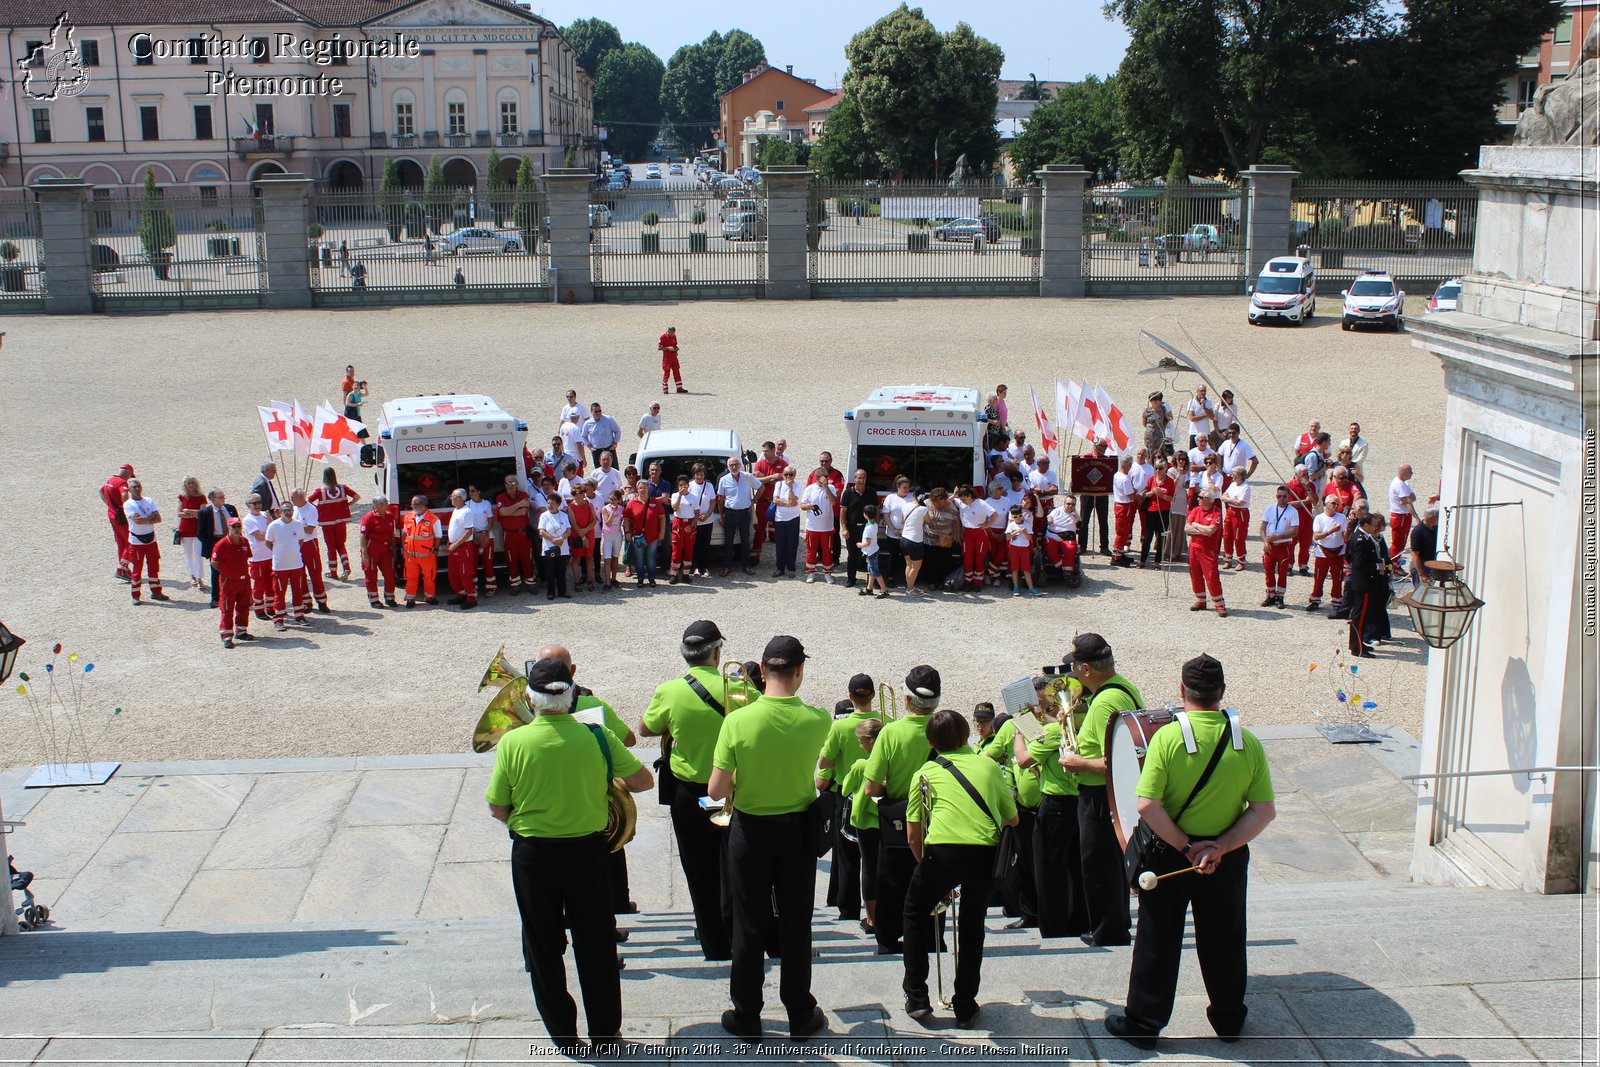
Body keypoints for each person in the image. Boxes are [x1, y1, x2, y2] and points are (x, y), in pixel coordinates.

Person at [1104, 655, 1275, 1051]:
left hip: (1170, 853)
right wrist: (1220, 847)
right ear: (1222, 694)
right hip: (1224, 857)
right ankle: (1229, 1018)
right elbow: (1264, 811)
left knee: (1158, 938)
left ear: (1183, 692)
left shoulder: (1166, 738)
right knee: (1226, 935)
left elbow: (1146, 804)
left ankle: (1145, 1024)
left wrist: (1185, 846)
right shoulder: (1246, 741)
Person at [487, 657, 652, 1055]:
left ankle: (563, 1035)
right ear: (573, 694)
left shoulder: (512, 741)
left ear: (530, 698)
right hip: (587, 852)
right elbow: (643, 781)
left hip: (533, 853)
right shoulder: (596, 736)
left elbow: (498, 807)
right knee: (595, 943)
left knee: (543, 944)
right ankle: (605, 1034)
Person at [708, 635, 831, 1040]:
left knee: (749, 923)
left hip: (750, 829)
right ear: (800, 671)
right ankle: (799, 1011)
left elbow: (715, 790)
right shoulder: (818, 719)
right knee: (797, 923)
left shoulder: (737, 720)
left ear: (760, 671)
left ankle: (747, 1014)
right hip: (797, 829)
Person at [641, 621, 750, 962]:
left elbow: (646, 728)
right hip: (730, 792)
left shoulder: (669, 690)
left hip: (690, 794)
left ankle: (713, 941)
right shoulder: (736, 687)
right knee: (734, 864)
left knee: (699, 868)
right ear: (718, 653)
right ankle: (738, 932)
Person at [902, 708, 1019, 1028]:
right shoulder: (988, 765)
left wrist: (924, 867)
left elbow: (914, 833)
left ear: (931, 741)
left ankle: (916, 994)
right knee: (972, 924)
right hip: (983, 854)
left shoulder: (924, 773)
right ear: (968, 734)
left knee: (915, 913)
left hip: (941, 853)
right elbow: (1012, 819)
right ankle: (965, 1002)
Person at [1059, 633, 1143, 947]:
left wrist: (1078, 762)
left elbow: (1118, 760)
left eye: (1074, 668)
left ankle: (1109, 930)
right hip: (1103, 793)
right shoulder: (1118, 688)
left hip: (1100, 795)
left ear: (1085, 669)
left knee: (1099, 865)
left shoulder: (1108, 699)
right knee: (1106, 864)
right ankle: (1113, 924)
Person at [863, 665, 943, 955]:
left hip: (897, 818)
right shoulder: (943, 728)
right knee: (933, 878)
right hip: (937, 818)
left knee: (892, 882)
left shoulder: (890, 732)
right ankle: (933, 937)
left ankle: (887, 939)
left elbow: (871, 788)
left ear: (907, 700)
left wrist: (892, 793)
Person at [1013, 688, 1087, 940]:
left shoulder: (1056, 731)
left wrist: (1018, 732)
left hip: (1056, 805)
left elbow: (1023, 759)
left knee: (1049, 870)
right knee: (1075, 867)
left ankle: (1054, 927)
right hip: (1077, 803)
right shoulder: (1075, 728)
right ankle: (1079, 921)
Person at [816, 673, 883, 922]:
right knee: (875, 856)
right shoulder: (885, 721)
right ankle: (877, 909)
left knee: (847, 857)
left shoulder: (841, 726)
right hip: (878, 791)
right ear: (873, 696)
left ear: (850, 696)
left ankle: (849, 908)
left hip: (848, 793)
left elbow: (824, 761)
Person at [838, 716, 884, 933]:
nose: (859, 745)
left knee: (868, 867)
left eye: (861, 741)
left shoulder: (861, 765)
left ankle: (872, 918)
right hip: (885, 821)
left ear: (870, 741)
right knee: (886, 868)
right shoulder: (889, 762)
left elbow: (845, 788)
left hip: (864, 820)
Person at [1345, 514, 1391, 657]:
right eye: (1372, 525)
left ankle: (1357, 643)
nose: (1374, 527)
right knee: (1360, 615)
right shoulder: (1361, 540)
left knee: (1360, 615)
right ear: (1365, 525)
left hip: (1364, 582)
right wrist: (1378, 566)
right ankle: (1357, 647)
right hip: (1364, 583)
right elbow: (1360, 564)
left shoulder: (1363, 537)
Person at [308, 467, 360, 581]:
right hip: (341, 521)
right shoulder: (342, 488)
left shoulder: (320, 490)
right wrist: (348, 504)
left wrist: (318, 509)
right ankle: (346, 567)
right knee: (341, 545)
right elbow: (357, 497)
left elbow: (308, 500)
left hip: (327, 522)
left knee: (330, 547)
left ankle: (333, 571)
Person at [209, 517, 254, 649]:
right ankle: (227, 636)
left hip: (244, 580)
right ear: (228, 528)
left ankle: (241, 631)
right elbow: (214, 563)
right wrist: (227, 572)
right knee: (227, 608)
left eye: (238, 526)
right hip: (228, 581)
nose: (236, 529)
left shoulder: (245, 542)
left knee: (244, 606)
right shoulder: (221, 544)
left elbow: (248, 557)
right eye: (233, 526)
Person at [122, 479, 168, 605]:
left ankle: (156, 591)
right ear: (129, 489)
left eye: (138, 486)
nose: (137, 489)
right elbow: (137, 521)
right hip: (136, 542)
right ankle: (135, 595)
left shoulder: (149, 500)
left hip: (151, 540)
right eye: (134, 487)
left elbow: (158, 518)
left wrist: (146, 519)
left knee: (154, 566)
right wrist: (150, 517)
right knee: (137, 569)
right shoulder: (128, 504)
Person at [265, 501, 308, 630]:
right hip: (280, 566)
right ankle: (278, 619)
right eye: (285, 511)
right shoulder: (273, 526)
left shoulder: (298, 525)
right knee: (279, 593)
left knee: (298, 591)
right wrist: (279, 553)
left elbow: (301, 541)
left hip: (296, 564)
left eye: (290, 510)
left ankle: (299, 616)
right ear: (280, 512)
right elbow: (268, 543)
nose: (288, 513)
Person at [1258, 484, 1300, 609]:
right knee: (1268, 571)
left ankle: (1280, 596)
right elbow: (1262, 528)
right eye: (1279, 496)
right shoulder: (1270, 508)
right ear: (1276, 496)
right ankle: (1270, 595)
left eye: (1284, 496)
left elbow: (1294, 531)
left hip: (1284, 546)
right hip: (1270, 546)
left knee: (1282, 572)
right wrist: (1265, 542)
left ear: (1289, 497)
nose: (1281, 499)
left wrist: (1278, 537)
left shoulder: (1293, 511)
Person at [717, 457, 760, 576]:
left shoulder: (748, 476)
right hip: (730, 513)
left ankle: (747, 566)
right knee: (728, 541)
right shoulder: (723, 480)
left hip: (744, 513)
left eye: (736, 464)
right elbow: (720, 499)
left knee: (745, 540)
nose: (734, 467)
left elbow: (761, 487)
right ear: (728, 467)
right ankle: (727, 567)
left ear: (740, 465)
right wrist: (721, 515)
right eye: (731, 465)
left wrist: (754, 499)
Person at [1186, 490, 1227, 616]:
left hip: (1208, 550)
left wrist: (1196, 525)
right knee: (1195, 575)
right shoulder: (1195, 510)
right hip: (1194, 548)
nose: (1198, 499)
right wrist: (1202, 530)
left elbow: (1211, 531)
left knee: (1211, 576)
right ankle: (1200, 601)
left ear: (1209, 500)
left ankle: (1219, 604)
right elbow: (1187, 528)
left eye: (1201, 497)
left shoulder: (1216, 513)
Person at [290, 490, 330, 614]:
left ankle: (321, 601)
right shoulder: (294, 509)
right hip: (297, 544)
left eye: (293, 497)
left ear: (301, 497)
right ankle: (306, 601)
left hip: (309, 544)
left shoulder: (311, 509)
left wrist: (294, 526)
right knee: (300, 574)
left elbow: (310, 529)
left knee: (315, 572)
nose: (291, 499)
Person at [196, 488, 238, 608]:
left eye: (223, 496)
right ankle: (216, 598)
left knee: (234, 569)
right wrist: (212, 546)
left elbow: (237, 525)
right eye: (220, 497)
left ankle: (234, 595)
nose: (223, 499)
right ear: (213, 499)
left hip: (230, 540)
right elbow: (200, 533)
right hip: (215, 542)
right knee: (216, 571)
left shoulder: (230, 508)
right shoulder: (204, 513)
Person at [495, 474, 535, 595]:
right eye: (507, 482)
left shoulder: (524, 495)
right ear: (504, 484)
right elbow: (502, 512)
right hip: (509, 534)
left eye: (513, 482)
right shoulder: (500, 497)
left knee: (527, 558)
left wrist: (509, 511)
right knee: (511, 559)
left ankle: (530, 583)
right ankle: (515, 584)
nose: (510, 485)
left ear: (517, 484)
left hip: (523, 533)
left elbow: (524, 511)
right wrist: (518, 505)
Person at [1306, 496, 1348, 611]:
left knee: (1338, 578)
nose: (1336, 506)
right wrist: (1331, 531)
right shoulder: (1319, 518)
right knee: (1319, 577)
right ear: (1326, 504)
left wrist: (1348, 529)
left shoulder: (1342, 518)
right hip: (1322, 552)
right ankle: (1315, 599)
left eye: (1337, 504)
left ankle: (1337, 600)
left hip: (1338, 551)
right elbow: (1316, 536)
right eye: (1334, 503)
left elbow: (1345, 536)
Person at [622, 477, 666, 587]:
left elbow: (662, 517)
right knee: (639, 558)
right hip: (638, 536)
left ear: (648, 489)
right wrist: (627, 532)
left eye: (645, 487)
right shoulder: (632, 503)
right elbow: (626, 518)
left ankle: (651, 579)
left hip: (653, 536)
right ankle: (640, 579)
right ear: (637, 489)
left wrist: (662, 532)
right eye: (640, 488)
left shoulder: (655, 502)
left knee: (651, 557)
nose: (643, 490)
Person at [400, 494, 442, 608]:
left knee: (429, 577)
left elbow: (438, 536)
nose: (412, 506)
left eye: (414, 504)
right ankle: (410, 598)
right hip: (410, 555)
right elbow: (405, 533)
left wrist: (435, 550)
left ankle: (429, 597)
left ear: (423, 505)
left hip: (427, 555)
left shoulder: (433, 519)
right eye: (412, 504)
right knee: (410, 577)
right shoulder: (408, 517)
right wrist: (404, 547)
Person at [359, 495, 400, 609]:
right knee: (371, 575)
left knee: (389, 573)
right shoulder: (368, 518)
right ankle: (374, 599)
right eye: (385, 502)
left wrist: (394, 550)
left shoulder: (389, 516)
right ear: (378, 505)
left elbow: (391, 534)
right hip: (372, 549)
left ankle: (389, 597)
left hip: (386, 549)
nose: (388, 504)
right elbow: (363, 536)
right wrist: (365, 554)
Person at [751, 441, 789, 559]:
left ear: (773, 450)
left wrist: (763, 478)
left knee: (780, 528)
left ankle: (782, 557)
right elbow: (754, 482)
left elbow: (784, 481)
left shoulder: (783, 464)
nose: (764, 454)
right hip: (762, 501)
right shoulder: (760, 464)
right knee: (759, 528)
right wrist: (772, 477)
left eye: (766, 451)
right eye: (763, 451)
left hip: (777, 502)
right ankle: (755, 554)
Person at [100, 462, 137, 582]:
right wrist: (127, 508)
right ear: (128, 472)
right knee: (130, 541)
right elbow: (125, 494)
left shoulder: (110, 480)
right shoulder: (122, 482)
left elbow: (100, 491)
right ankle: (121, 568)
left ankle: (124, 569)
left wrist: (109, 505)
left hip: (112, 515)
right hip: (121, 517)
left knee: (121, 542)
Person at [800, 472, 838, 584]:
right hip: (812, 527)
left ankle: (828, 573)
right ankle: (811, 573)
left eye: (826, 477)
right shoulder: (810, 489)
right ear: (816, 478)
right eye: (822, 477)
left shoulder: (831, 487)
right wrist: (809, 506)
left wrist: (826, 488)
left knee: (827, 551)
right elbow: (802, 505)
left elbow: (833, 501)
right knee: (811, 551)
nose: (824, 479)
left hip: (827, 527)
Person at [956, 485, 996, 590]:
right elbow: (948, 500)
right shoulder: (961, 502)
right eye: (961, 500)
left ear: (969, 496)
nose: (962, 502)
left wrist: (988, 524)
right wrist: (955, 495)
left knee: (979, 558)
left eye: (964, 499)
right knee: (967, 558)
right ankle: (968, 581)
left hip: (980, 532)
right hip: (968, 532)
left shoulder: (981, 503)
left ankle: (978, 582)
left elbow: (995, 514)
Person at [241, 495, 275, 619]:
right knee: (259, 585)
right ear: (248, 505)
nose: (257, 505)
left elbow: (274, 529)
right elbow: (259, 537)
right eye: (254, 503)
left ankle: (271, 607)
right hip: (257, 557)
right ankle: (259, 609)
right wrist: (270, 533)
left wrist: (270, 524)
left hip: (269, 554)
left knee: (271, 584)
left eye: (259, 502)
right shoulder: (248, 519)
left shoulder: (265, 515)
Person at [445, 489, 479, 610]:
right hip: (455, 546)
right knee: (453, 573)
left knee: (465, 573)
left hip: (463, 547)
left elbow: (469, 531)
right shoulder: (456, 510)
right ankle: (461, 594)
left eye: (453, 497)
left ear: (460, 498)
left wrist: (456, 544)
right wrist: (450, 541)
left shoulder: (467, 512)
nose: (451, 499)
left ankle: (471, 597)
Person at [1078, 439, 1113, 556]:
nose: (1105, 448)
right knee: (1084, 520)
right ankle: (1082, 545)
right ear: (1096, 446)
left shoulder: (1107, 460)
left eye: (1106, 446)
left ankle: (1104, 546)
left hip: (1102, 493)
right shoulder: (1086, 458)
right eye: (1103, 446)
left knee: (1103, 520)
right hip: (1087, 493)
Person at [842, 469, 874, 588]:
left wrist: (873, 525)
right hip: (852, 527)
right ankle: (851, 579)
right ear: (854, 479)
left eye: (863, 478)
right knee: (852, 554)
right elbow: (843, 512)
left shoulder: (871, 492)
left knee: (869, 553)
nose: (861, 480)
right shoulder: (848, 493)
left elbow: (876, 509)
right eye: (859, 478)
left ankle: (870, 579)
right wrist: (844, 528)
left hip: (867, 528)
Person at [537, 493, 573, 600]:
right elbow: (541, 531)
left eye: (552, 503)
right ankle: (551, 592)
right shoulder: (544, 515)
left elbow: (568, 531)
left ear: (558, 504)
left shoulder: (564, 515)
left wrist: (561, 539)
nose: (549, 505)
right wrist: (553, 539)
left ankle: (562, 591)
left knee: (561, 570)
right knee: (550, 571)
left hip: (562, 547)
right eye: (548, 503)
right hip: (549, 547)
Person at [1387, 464, 1421, 572]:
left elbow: (1412, 497)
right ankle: (1392, 568)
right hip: (1400, 516)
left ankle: (1397, 566)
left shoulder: (1403, 483)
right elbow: (1408, 503)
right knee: (1397, 544)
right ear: (1403, 473)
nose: (1412, 473)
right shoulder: (1399, 485)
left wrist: (1408, 499)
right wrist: (1417, 518)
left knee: (1401, 544)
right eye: (1410, 472)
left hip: (1402, 516)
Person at [1141, 459, 1174, 567]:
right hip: (1151, 511)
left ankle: (1157, 562)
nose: (1158, 471)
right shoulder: (1152, 479)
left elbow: (1172, 499)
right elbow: (1145, 494)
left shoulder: (1169, 482)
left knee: (1161, 537)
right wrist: (1152, 492)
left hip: (1164, 511)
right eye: (1156, 468)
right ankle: (1142, 560)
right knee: (1147, 537)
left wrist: (1161, 495)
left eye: (1160, 468)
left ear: (1165, 469)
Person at [1285, 465, 1318, 576]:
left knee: (1305, 544)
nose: (1306, 476)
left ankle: (1303, 565)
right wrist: (1305, 501)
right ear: (1297, 475)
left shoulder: (1311, 485)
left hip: (1307, 520)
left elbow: (1314, 501)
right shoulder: (1289, 486)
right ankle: (1289, 565)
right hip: (1293, 521)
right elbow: (1288, 504)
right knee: (1291, 544)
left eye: (1307, 474)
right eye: (1303, 474)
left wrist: (1308, 489)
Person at [686, 463, 717, 579]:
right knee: (695, 544)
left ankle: (705, 566)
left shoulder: (709, 486)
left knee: (705, 544)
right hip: (694, 520)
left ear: (704, 475)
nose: (699, 477)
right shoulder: (689, 486)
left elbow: (713, 501)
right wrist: (696, 516)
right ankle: (695, 567)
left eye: (701, 474)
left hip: (707, 520)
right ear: (694, 475)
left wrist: (707, 515)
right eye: (697, 474)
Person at [177, 476, 207, 591]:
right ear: (185, 485)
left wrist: (188, 511)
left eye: (193, 483)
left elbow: (202, 513)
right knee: (188, 554)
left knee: (198, 554)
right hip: (185, 530)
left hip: (198, 530)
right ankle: (193, 575)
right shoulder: (182, 497)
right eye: (189, 483)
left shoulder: (201, 497)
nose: (191, 485)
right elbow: (179, 514)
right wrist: (194, 514)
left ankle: (200, 578)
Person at [771, 468, 802, 578]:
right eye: (786, 474)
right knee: (780, 544)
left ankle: (791, 568)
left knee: (792, 544)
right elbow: (775, 500)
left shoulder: (797, 486)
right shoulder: (778, 484)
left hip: (793, 518)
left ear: (795, 475)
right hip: (779, 518)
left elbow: (793, 500)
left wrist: (790, 488)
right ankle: (780, 568)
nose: (788, 477)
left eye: (791, 474)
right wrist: (788, 504)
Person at [1005, 506, 1043, 597]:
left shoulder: (1027, 524)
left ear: (1022, 515)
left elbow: (1030, 538)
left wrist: (1025, 532)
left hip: (1024, 549)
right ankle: (1016, 587)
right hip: (1014, 548)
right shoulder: (1011, 525)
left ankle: (1031, 588)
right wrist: (1015, 532)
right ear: (1012, 516)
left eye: (1019, 515)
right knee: (1014, 569)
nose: (1017, 518)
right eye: (1015, 516)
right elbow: (1007, 537)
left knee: (1026, 569)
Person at [1110, 455, 1140, 567]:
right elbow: (1131, 496)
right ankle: (1116, 556)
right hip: (1124, 505)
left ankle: (1120, 553)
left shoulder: (1117, 475)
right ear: (1129, 465)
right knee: (1122, 531)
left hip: (1118, 504)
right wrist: (1136, 492)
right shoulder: (1125, 479)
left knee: (1122, 530)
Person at [1220, 469, 1252, 572]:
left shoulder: (1245, 487)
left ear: (1239, 476)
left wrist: (1229, 500)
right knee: (1227, 535)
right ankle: (1228, 559)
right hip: (1230, 511)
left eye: (1233, 474)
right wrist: (1232, 500)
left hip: (1240, 513)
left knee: (1239, 537)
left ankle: (1241, 560)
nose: (1231, 476)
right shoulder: (1233, 484)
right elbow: (1223, 496)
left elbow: (1240, 502)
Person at [900, 489, 929, 595]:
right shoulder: (923, 509)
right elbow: (928, 521)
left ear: (913, 495)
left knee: (908, 565)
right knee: (915, 567)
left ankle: (909, 587)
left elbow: (902, 521)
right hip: (915, 541)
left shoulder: (906, 506)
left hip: (904, 539)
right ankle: (910, 589)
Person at [858, 505, 888, 598]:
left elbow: (867, 543)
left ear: (865, 515)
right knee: (871, 570)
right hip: (874, 549)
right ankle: (869, 588)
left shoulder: (868, 528)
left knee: (875, 571)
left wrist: (860, 544)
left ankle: (884, 590)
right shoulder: (874, 524)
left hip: (871, 551)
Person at [1408, 504, 1440, 590]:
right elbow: (1415, 554)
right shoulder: (1418, 531)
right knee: (1421, 592)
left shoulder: (1436, 529)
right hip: (1421, 565)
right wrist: (1421, 574)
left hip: (1432, 564)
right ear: (1430, 518)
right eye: (1437, 516)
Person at [599, 490, 625, 590]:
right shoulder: (605, 509)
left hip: (617, 534)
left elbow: (623, 520)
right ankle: (607, 582)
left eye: (614, 499)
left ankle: (613, 579)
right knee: (607, 559)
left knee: (615, 557)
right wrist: (613, 512)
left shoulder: (621, 509)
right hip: (607, 535)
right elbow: (608, 523)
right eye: (610, 499)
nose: (612, 501)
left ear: (618, 500)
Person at [582, 403, 622, 469]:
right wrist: (590, 447)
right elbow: (583, 436)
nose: (598, 413)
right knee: (599, 472)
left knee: (614, 470)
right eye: (596, 411)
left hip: (609, 449)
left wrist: (615, 443)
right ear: (591, 412)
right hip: (596, 451)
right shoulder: (587, 423)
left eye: (600, 411)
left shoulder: (608, 419)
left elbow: (617, 431)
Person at [658, 325, 686, 394]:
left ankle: (679, 387)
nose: (673, 334)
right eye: (672, 333)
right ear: (668, 331)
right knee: (667, 373)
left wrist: (676, 349)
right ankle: (665, 389)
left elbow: (675, 345)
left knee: (677, 371)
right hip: (667, 358)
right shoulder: (663, 337)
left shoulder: (674, 336)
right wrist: (668, 348)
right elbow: (659, 348)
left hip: (674, 357)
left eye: (674, 333)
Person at [1143, 392, 1170, 458]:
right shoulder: (1147, 411)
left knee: (1161, 452)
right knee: (1151, 452)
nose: (1156, 401)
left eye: (1157, 399)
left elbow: (1166, 420)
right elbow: (1144, 423)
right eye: (1153, 400)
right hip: (1150, 436)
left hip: (1160, 435)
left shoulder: (1163, 409)